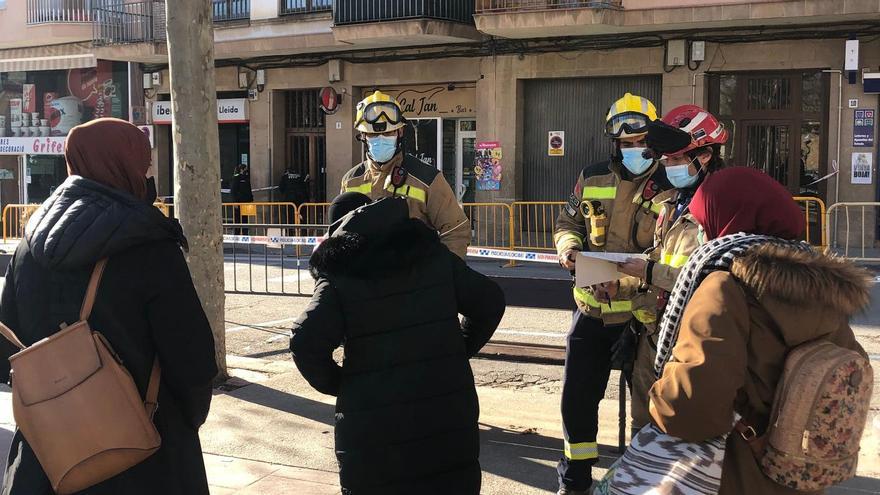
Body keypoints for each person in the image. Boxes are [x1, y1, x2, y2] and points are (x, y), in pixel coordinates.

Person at [0, 118, 218, 494]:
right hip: (145, 455)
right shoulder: (151, 246)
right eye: (144, 164)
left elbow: (8, 348)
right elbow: (193, 362)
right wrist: (184, 423)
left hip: (48, 459)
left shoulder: (26, 246)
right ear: (122, 165)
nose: (148, 173)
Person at [648, 167, 870, 494]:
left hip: (732, 474)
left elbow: (690, 411)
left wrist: (654, 398)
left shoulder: (724, 287)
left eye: (702, 221)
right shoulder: (827, 292)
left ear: (727, 217)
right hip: (797, 474)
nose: (701, 232)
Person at [290, 192, 505, 495]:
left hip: (375, 434)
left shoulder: (340, 271)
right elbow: (490, 301)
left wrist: (342, 383)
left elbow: (305, 340)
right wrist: (458, 351)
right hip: (446, 417)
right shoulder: (432, 254)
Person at [553, 93, 674, 495]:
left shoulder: (668, 186)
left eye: (640, 142)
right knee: (577, 401)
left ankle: (641, 480)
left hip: (642, 320)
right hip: (590, 313)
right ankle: (575, 481)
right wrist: (567, 248)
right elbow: (567, 221)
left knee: (648, 409)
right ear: (614, 144)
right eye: (625, 143)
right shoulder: (592, 176)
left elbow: (666, 253)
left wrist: (621, 282)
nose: (633, 150)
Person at [616, 105, 729, 432]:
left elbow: (712, 281)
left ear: (705, 155)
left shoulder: (720, 210)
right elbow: (660, 259)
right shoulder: (671, 203)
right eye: (666, 161)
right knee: (644, 428)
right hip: (653, 335)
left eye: (677, 160)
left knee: (680, 432)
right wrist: (622, 283)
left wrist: (647, 271)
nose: (670, 167)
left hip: (691, 343)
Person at [340, 91, 470, 258]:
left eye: (388, 133)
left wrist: (440, 273)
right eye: (373, 134)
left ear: (400, 133)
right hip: (368, 279)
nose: (380, 138)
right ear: (363, 136)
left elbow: (456, 230)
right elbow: (341, 233)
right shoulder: (351, 181)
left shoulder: (427, 178)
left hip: (415, 279)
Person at [230, 163, 253, 235]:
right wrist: (235, 202)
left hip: (246, 202)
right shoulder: (236, 178)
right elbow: (233, 191)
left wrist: (251, 199)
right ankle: (237, 234)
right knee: (237, 219)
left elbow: (249, 189)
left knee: (245, 218)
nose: (247, 171)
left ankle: (245, 233)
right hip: (239, 202)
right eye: (245, 169)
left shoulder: (246, 178)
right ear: (241, 170)